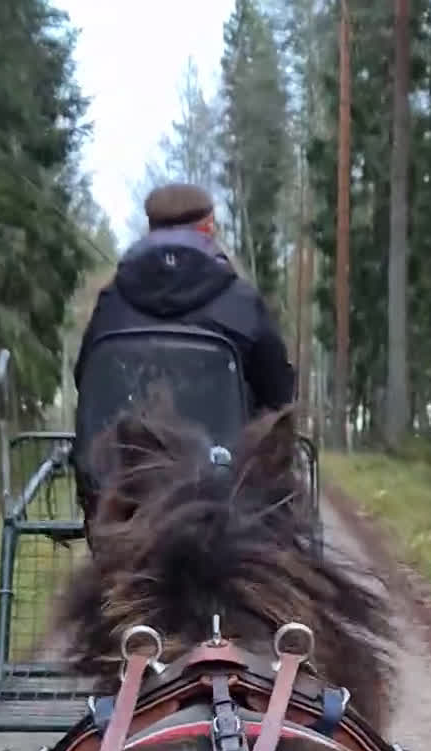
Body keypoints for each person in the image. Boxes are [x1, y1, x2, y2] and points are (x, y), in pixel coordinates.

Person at [72, 184, 295, 524]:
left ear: (150, 229)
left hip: (126, 502)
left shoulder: (111, 302)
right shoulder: (242, 301)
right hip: (224, 503)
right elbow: (278, 395)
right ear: (208, 228)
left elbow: (87, 382)